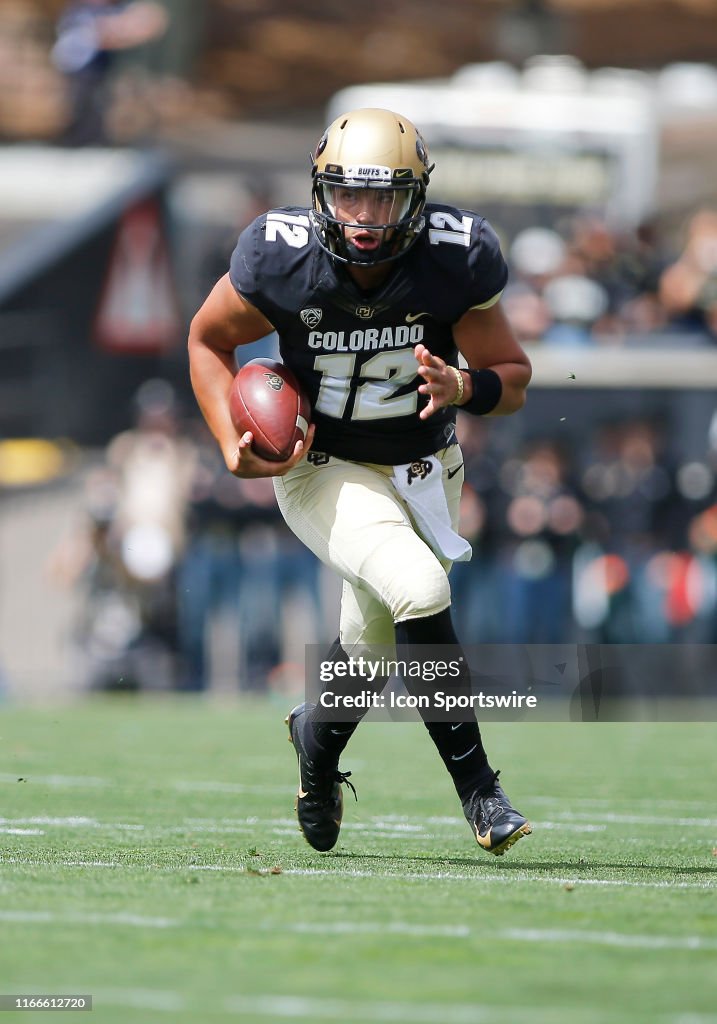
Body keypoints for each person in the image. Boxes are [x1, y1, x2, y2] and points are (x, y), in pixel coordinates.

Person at [188, 108, 533, 856]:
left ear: (417, 196)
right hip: (323, 466)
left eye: (384, 198)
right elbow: (208, 338)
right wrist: (228, 441)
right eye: (348, 195)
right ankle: (481, 793)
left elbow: (513, 381)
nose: (365, 216)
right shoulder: (278, 257)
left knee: (373, 651)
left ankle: (314, 742)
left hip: (424, 468)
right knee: (420, 590)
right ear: (321, 191)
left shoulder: (453, 257)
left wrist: (461, 384)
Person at [52, 0, 168, 146]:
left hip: (103, 68)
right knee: (80, 104)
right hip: (79, 67)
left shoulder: (119, 10)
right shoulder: (79, 12)